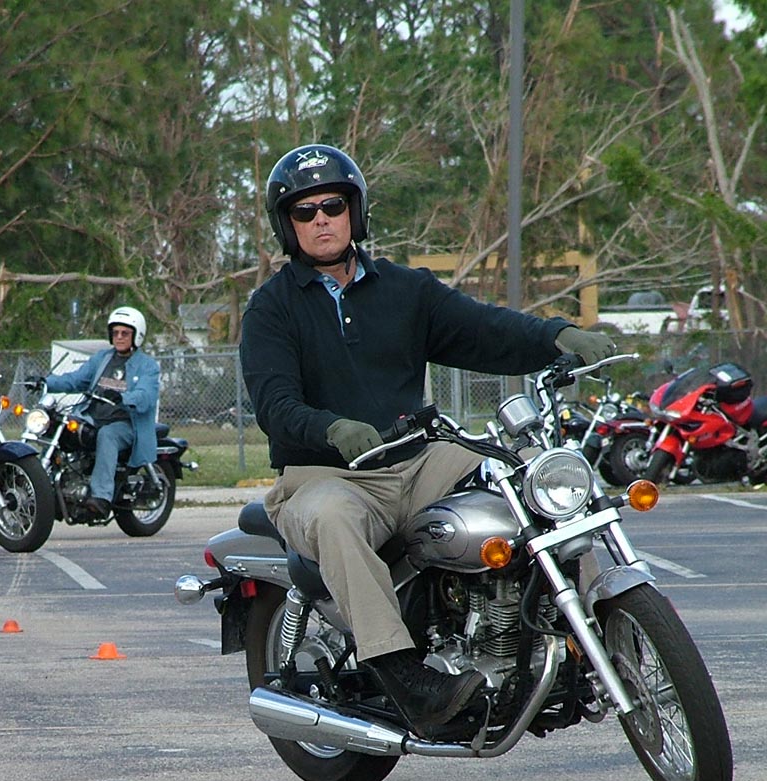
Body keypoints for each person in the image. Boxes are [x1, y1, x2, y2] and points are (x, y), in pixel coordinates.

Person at [240, 144, 615, 736]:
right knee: (334, 518)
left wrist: (558, 336)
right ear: (287, 225)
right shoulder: (271, 309)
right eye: (304, 211)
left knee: (531, 476)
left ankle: (594, 623)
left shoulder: (404, 290)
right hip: (324, 476)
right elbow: (275, 404)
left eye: (333, 205)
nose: (321, 220)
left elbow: (484, 328)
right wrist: (331, 428)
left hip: (417, 461)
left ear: (355, 211)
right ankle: (405, 676)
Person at [41, 306, 161, 517]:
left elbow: (146, 395)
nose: (119, 337)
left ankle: (101, 498)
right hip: (92, 417)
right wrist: (45, 382)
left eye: (125, 333)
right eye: (115, 332)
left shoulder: (147, 366)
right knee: (56, 425)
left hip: (126, 424)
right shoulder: (102, 358)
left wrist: (124, 398)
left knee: (107, 435)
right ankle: (44, 484)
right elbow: (75, 379)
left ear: (137, 336)